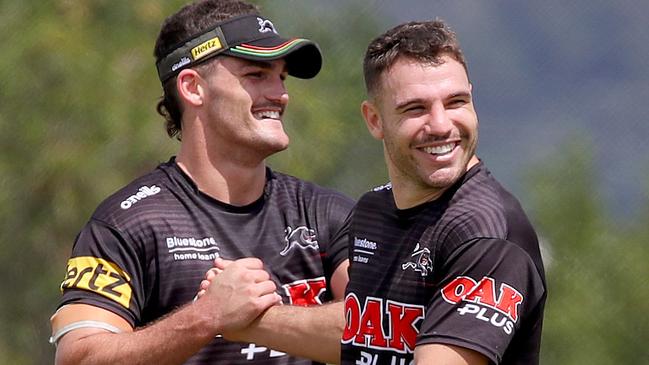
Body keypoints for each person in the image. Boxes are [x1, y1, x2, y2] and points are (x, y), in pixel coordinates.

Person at [200, 19, 547, 365]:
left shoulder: (488, 235)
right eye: (416, 108)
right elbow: (360, 338)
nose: (441, 125)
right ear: (374, 120)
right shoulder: (372, 211)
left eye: (456, 102)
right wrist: (244, 319)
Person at [49, 1, 354, 364]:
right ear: (193, 88)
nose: (280, 93)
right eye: (257, 75)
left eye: (282, 77)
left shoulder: (327, 213)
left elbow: (384, 329)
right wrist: (206, 317)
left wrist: (255, 322)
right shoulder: (126, 225)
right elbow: (79, 358)